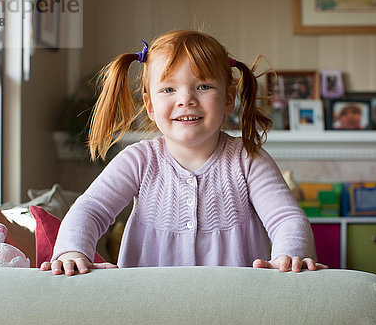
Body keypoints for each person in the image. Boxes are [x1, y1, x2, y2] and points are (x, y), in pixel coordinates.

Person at [40, 30, 327, 276]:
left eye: (202, 86)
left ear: (228, 99)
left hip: (237, 308)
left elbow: (286, 218)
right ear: (150, 105)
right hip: (148, 310)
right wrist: (72, 251)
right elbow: (91, 209)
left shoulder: (249, 160)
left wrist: (290, 255)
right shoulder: (138, 160)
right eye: (168, 89)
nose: (185, 100)